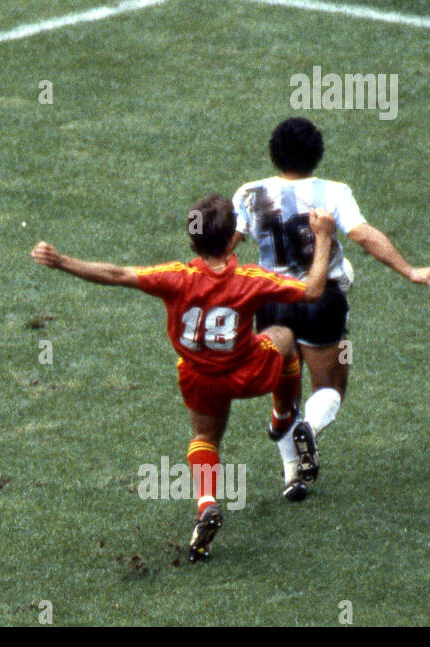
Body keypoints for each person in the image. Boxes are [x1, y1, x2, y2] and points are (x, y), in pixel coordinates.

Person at [31, 195, 335, 561]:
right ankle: (283, 417)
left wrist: (61, 261)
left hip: (199, 377)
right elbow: (314, 289)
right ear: (232, 239)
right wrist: (323, 236)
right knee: (283, 337)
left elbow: (116, 274)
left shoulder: (175, 278)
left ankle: (206, 503)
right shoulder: (250, 280)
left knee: (205, 437)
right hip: (248, 372)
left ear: (193, 241)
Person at [231, 117, 430, 496]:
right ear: (317, 154)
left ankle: (293, 474)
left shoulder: (249, 193)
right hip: (322, 300)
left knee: (285, 389)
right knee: (330, 387)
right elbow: (363, 235)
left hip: (271, 304)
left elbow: (224, 244)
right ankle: (308, 431)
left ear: (273, 152)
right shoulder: (333, 192)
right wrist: (410, 270)